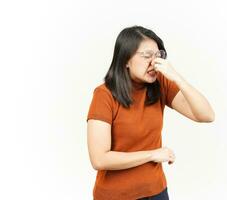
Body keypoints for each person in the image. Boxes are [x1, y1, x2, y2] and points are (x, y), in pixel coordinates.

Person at [86, 25, 215, 200]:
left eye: (158, 56)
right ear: (125, 60)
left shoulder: (161, 84)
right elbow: (99, 159)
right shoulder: (104, 95)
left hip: (156, 192)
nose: (154, 62)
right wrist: (152, 155)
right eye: (147, 56)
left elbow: (206, 115)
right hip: (115, 195)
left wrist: (176, 76)